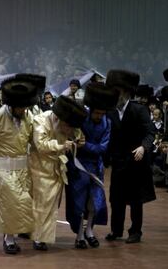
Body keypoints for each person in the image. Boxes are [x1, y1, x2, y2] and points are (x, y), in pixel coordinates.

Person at [0, 74, 38, 254]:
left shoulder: (29, 117)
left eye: (26, 106)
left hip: (23, 168)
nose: (23, 110)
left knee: (25, 201)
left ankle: (21, 232)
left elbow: (35, 142)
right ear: (11, 104)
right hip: (2, 168)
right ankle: (9, 239)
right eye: (21, 107)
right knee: (9, 203)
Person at [65, 82, 119, 249]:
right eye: (97, 113)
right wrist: (80, 145)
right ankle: (80, 235)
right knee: (79, 203)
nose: (99, 116)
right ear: (91, 109)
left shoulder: (107, 123)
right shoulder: (80, 119)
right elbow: (73, 140)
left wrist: (85, 145)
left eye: (102, 113)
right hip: (78, 166)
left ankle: (89, 231)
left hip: (96, 167)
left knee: (94, 202)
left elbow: (103, 148)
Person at [29, 96, 87, 250]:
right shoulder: (40, 120)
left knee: (53, 203)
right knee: (42, 202)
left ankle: (40, 234)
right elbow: (41, 144)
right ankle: (38, 237)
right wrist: (61, 145)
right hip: (39, 166)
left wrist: (80, 141)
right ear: (58, 118)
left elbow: (78, 134)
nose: (69, 130)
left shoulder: (69, 122)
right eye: (67, 126)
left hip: (59, 167)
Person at [105, 69, 156, 244]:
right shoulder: (109, 111)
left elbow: (150, 132)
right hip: (118, 162)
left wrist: (144, 147)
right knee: (116, 199)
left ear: (126, 92)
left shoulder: (139, 109)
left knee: (136, 200)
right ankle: (116, 230)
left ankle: (135, 232)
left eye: (118, 91)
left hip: (136, 161)